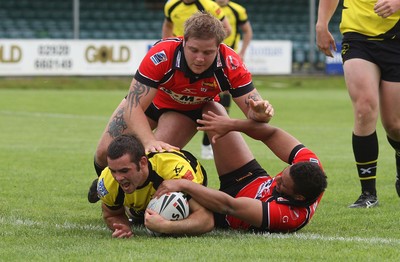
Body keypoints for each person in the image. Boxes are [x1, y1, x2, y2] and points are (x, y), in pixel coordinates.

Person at [88, 12, 274, 203]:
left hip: (184, 111)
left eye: (208, 52)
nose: (200, 58)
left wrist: (261, 113)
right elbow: (133, 105)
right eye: (194, 50)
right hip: (150, 102)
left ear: (219, 47)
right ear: (183, 41)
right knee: (104, 152)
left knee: (150, 161)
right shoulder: (162, 54)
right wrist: (147, 139)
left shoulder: (231, 63)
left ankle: (132, 206)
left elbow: (255, 112)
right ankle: (106, 186)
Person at [145, 102, 327, 234]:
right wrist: (231, 125)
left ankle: (146, 207)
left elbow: (228, 206)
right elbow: (272, 133)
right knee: (213, 110)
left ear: (298, 197)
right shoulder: (310, 163)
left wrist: (183, 184)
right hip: (250, 177)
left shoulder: (289, 216)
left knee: (182, 212)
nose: (276, 179)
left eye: (283, 183)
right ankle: (146, 154)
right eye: (282, 174)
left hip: (225, 212)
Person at [316, 0, 400, 208]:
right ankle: (368, 194)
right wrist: (321, 24)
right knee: (364, 108)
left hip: (396, 40)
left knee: (394, 125)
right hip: (357, 37)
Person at [97, 134, 214, 238]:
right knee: (137, 214)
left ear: (143, 163)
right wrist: (122, 227)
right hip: (140, 198)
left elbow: (206, 220)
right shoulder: (108, 180)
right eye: (113, 171)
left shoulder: (173, 173)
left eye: (124, 171)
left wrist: (167, 226)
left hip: (185, 176)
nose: (118, 178)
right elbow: (111, 214)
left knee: (173, 204)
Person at [200, 0, 254, 160]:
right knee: (207, 97)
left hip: (226, 61)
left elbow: (247, 31)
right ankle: (208, 141)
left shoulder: (238, 10)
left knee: (221, 98)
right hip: (205, 56)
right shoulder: (206, 6)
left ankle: (209, 142)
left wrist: (242, 51)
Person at [161, 0, 232, 40]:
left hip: (200, 49)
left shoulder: (210, 6)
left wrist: (208, 43)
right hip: (179, 44)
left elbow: (227, 29)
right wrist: (167, 42)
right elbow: (168, 25)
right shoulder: (171, 4)